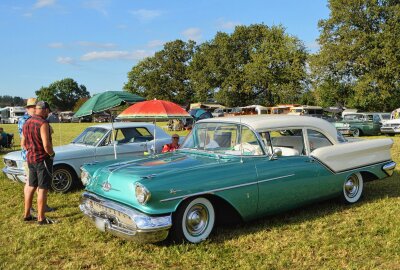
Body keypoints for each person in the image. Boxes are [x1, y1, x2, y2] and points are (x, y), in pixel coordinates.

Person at [22, 101, 56, 225]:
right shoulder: (43, 123)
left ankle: (27, 215)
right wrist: (52, 154)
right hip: (42, 160)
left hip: (30, 159)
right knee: (42, 189)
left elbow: (24, 144)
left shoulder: (27, 122)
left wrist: (32, 150)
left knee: (31, 186)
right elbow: (46, 144)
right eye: (48, 111)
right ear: (45, 110)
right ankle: (41, 219)